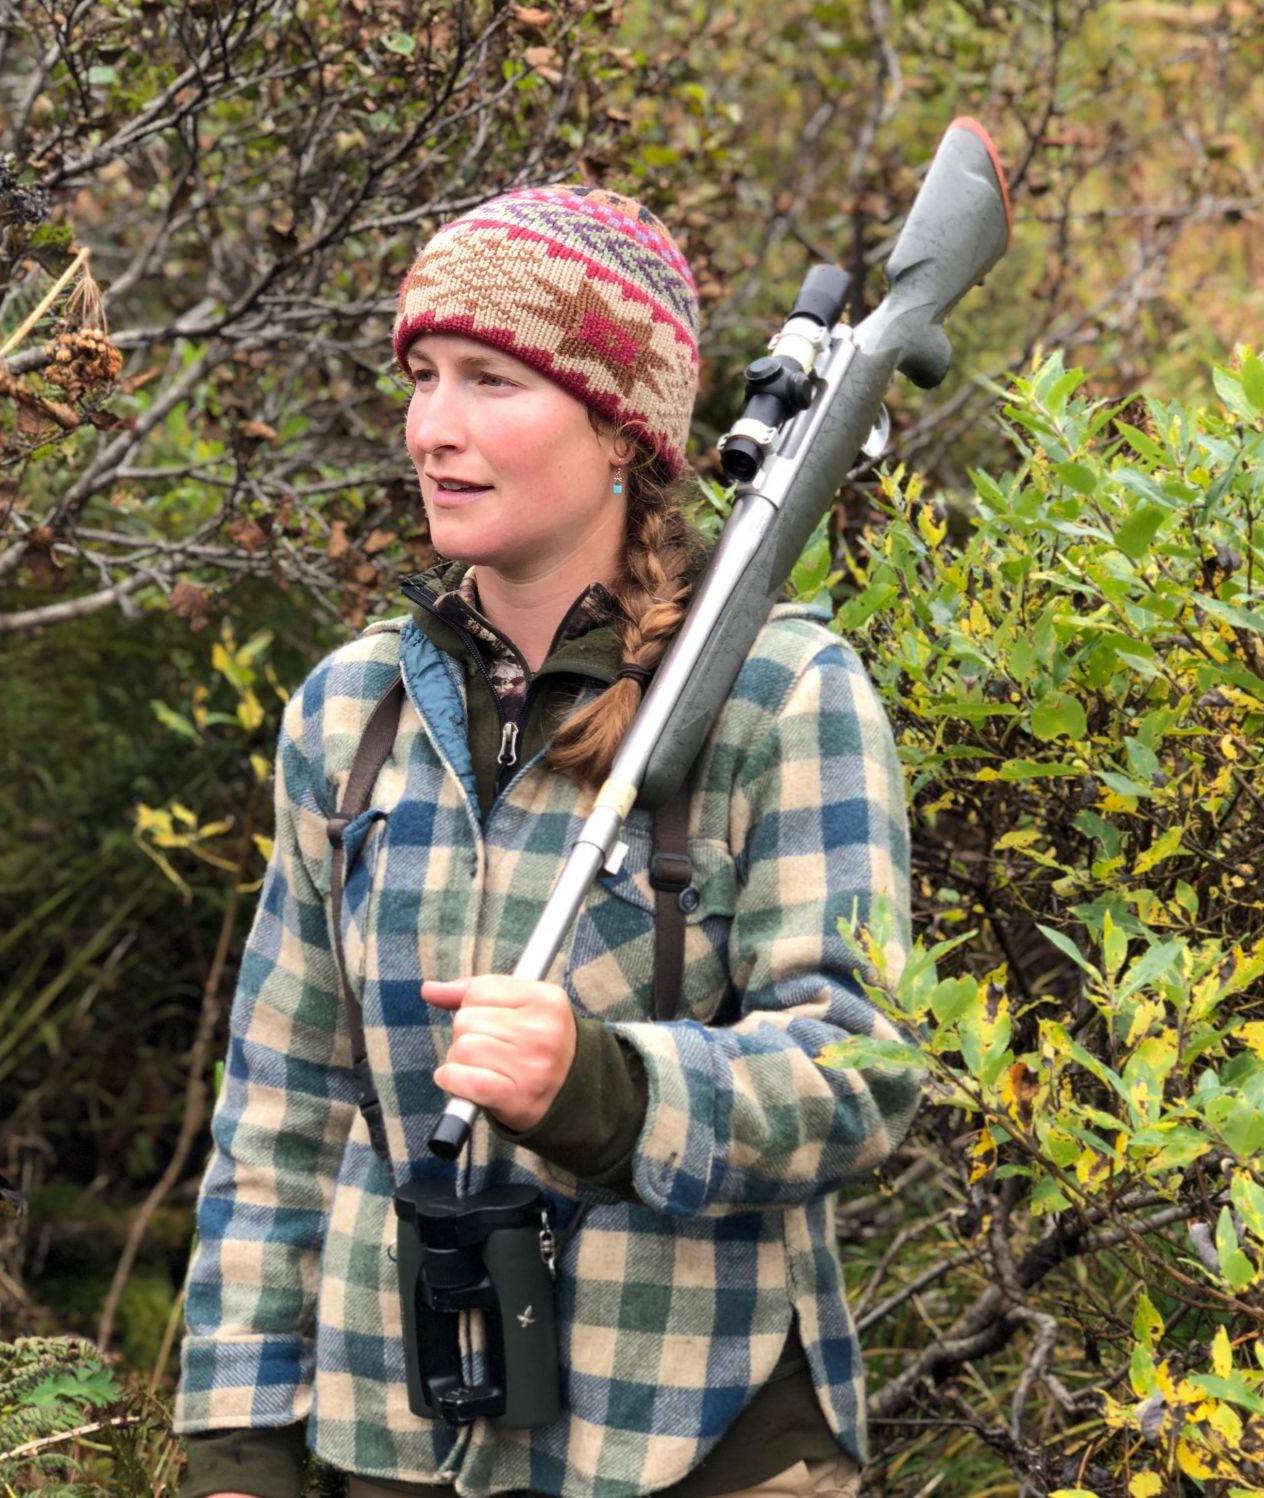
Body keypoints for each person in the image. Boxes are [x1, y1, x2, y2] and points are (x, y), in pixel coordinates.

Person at [174, 185, 919, 1498]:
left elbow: (856, 1069)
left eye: (492, 381)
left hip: (692, 1433)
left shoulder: (780, 694)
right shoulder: (352, 712)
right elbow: (278, 1117)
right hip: (384, 1435)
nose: (434, 429)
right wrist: (238, 1441)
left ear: (620, 428)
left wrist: (608, 1087)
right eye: (422, 375)